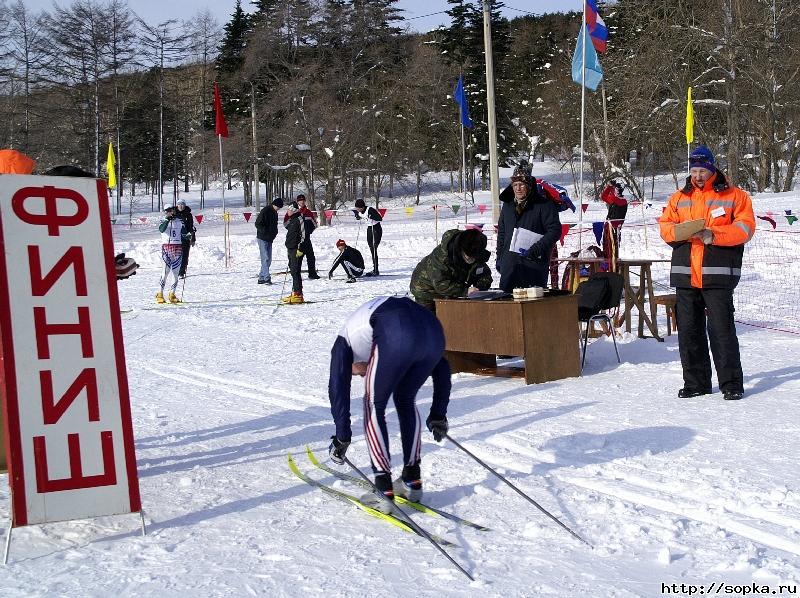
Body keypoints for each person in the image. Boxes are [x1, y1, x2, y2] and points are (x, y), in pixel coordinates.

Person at [327, 296, 451, 514]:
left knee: (373, 403)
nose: (361, 373)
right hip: (433, 329)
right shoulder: (368, 332)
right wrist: (438, 414)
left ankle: (383, 489)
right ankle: (412, 480)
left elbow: (337, 386)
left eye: (358, 372)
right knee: (404, 398)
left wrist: (342, 436)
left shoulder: (343, 342)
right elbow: (441, 366)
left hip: (397, 326)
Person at [659, 146, 755, 401]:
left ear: (713, 169)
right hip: (686, 273)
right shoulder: (678, 197)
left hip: (718, 275)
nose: (698, 175)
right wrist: (677, 232)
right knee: (689, 331)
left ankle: (731, 383)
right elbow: (665, 226)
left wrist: (714, 235)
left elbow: (745, 229)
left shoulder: (737, 196)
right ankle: (695, 382)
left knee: (721, 330)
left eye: (703, 170)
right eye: (694, 170)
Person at [496, 165, 561, 292]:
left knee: (532, 308)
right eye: (515, 185)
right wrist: (500, 258)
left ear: (529, 186)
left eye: (522, 185)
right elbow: (502, 233)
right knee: (507, 306)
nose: (518, 188)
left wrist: (536, 248)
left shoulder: (544, 205)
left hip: (533, 266)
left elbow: (555, 230)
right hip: (510, 267)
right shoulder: (508, 206)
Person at [410, 228, 493, 312]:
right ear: (461, 249)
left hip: (452, 290)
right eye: (468, 257)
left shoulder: (476, 248)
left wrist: (480, 287)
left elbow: (483, 272)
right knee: (429, 320)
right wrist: (465, 291)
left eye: (474, 257)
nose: (472, 260)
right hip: (426, 291)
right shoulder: (442, 257)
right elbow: (441, 284)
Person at [157, 205, 190, 303]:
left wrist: (189, 236)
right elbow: (161, 229)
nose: (172, 213)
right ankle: (160, 294)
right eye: (169, 211)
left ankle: (172, 294)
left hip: (177, 248)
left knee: (176, 273)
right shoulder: (163, 220)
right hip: (167, 248)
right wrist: (167, 220)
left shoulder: (179, 222)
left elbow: (184, 234)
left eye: (172, 211)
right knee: (165, 272)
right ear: (166, 212)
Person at [284, 193, 320, 279]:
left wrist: (309, 231)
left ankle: (312, 273)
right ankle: (296, 273)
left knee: (311, 256)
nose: (302, 202)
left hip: (307, 237)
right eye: (300, 201)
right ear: (297, 202)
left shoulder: (308, 212)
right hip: (297, 238)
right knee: (298, 256)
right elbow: (285, 223)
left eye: (303, 200)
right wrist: (293, 231)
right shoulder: (293, 211)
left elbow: (314, 224)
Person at [255, 197, 283, 284]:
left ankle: (261, 277)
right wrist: (266, 232)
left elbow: (275, 225)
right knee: (265, 258)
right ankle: (267, 277)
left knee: (269, 259)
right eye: (278, 207)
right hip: (263, 238)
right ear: (274, 204)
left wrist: (274, 233)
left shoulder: (275, 213)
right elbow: (258, 224)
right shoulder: (265, 211)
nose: (278, 209)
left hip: (270, 239)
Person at [282, 201, 305, 304]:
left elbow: (304, 235)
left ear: (294, 210)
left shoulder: (299, 219)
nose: (288, 211)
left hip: (296, 249)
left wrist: (300, 248)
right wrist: (287, 215)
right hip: (290, 248)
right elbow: (285, 225)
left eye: (289, 210)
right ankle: (295, 291)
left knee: (295, 271)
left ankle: (298, 294)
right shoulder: (292, 219)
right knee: (293, 270)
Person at [601, 180, 628, 265]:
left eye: (615, 190)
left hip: (615, 227)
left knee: (613, 247)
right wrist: (609, 187)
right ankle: (608, 265)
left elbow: (610, 198)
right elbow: (603, 197)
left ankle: (613, 266)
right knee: (607, 246)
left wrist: (610, 187)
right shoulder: (615, 200)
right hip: (609, 226)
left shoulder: (622, 200)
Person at [353, 198, 383, 276]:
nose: (357, 209)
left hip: (376, 229)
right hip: (369, 229)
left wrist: (372, 216)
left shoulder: (370, 210)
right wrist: (358, 217)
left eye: (358, 208)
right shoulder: (360, 211)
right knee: (371, 247)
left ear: (362, 207)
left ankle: (376, 270)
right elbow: (360, 215)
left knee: (374, 248)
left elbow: (380, 218)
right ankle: (375, 268)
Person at [175, 198, 196, 278]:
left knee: (184, 255)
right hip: (176, 238)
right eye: (179, 204)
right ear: (177, 205)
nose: (181, 206)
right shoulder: (174, 213)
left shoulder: (188, 214)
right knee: (176, 256)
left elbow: (191, 227)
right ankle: (175, 271)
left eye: (182, 204)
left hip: (186, 237)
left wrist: (192, 239)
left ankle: (181, 272)